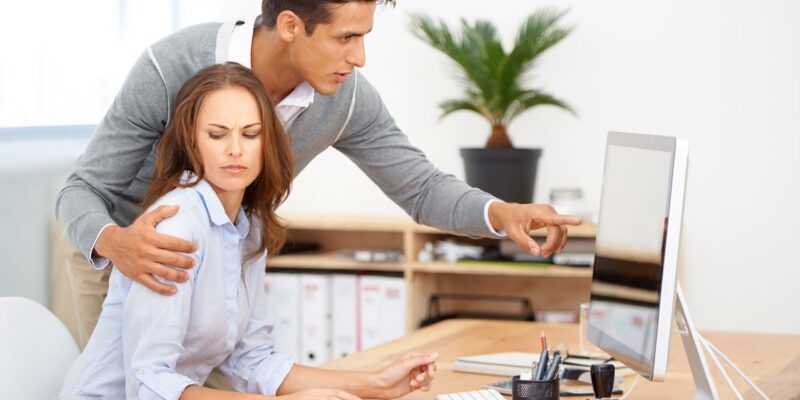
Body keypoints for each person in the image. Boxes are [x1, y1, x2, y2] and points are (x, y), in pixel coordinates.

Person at [57, 0, 581, 349]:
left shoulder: (344, 99)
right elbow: (81, 191)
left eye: (364, 36)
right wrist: (116, 244)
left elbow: (421, 188)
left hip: (221, 264)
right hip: (126, 258)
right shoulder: (173, 65)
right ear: (291, 25)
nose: (360, 57)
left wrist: (502, 213)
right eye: (345, 37)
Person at [60, 62, 438, 400]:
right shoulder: (176, 227)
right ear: (192, 142)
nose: (235, 150)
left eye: (251, 133)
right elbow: (150, 384)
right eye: (217, 134)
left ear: (267, 142)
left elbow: (253, 360)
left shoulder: (249, 226)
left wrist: (376, 385)